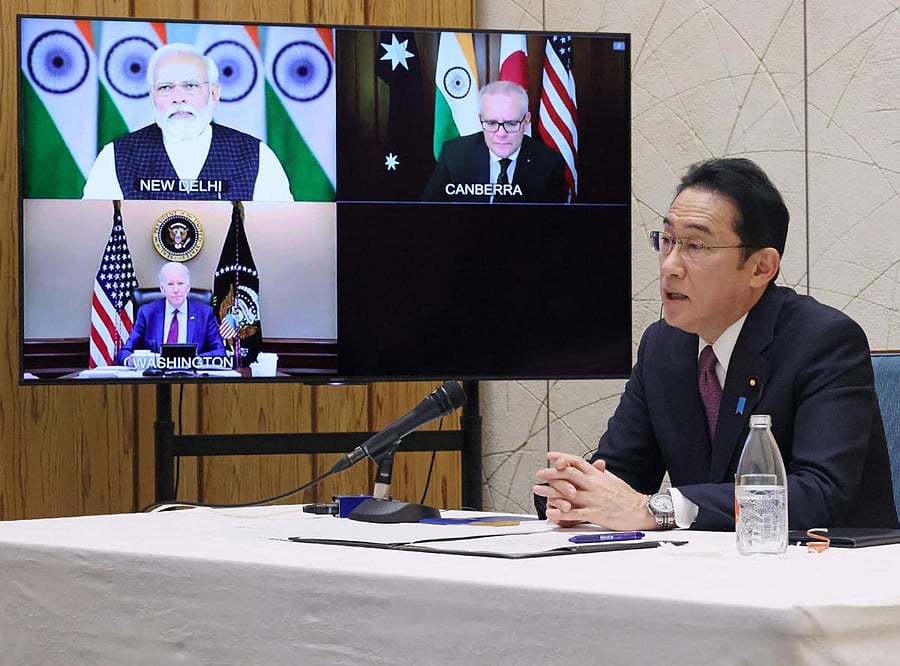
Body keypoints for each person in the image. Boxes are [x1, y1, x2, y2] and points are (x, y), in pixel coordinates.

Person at [534, 157, 898, 531]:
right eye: (667, 240)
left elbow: (820, 495)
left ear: (761, 267)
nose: (669, 266)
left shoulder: (824, 342)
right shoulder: (663, 346)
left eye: (695, 245)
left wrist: (663, 508)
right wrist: (574, 490)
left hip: (826, 572)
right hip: (705, 570)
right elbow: (622, 475)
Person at [83, 43, 292, 202]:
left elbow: (280, 235)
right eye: (165, 87)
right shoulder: (116, 156)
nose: (178, 97)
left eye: (190, 85)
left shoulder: (255, 155)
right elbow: (93, 232)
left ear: (214, 93)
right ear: (152, 96)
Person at [422, 81, 567, 203]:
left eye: (511, 123)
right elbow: (430, 213)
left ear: (526, 121)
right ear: (481, 119)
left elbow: (554, 227)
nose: (501, 134)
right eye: (491, 123)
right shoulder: (453, 155)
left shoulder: (550, 164)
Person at [117, 262, 226, 365]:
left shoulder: (205, 313)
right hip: (156, 378)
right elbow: (125, 352)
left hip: (192, 379)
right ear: (162, 289)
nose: (176, 289)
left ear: (188, 287)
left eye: (180, 283)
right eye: (170, 284)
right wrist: (131, 361)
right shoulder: (147, 313)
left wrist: (192, 361)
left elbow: (220, 352)